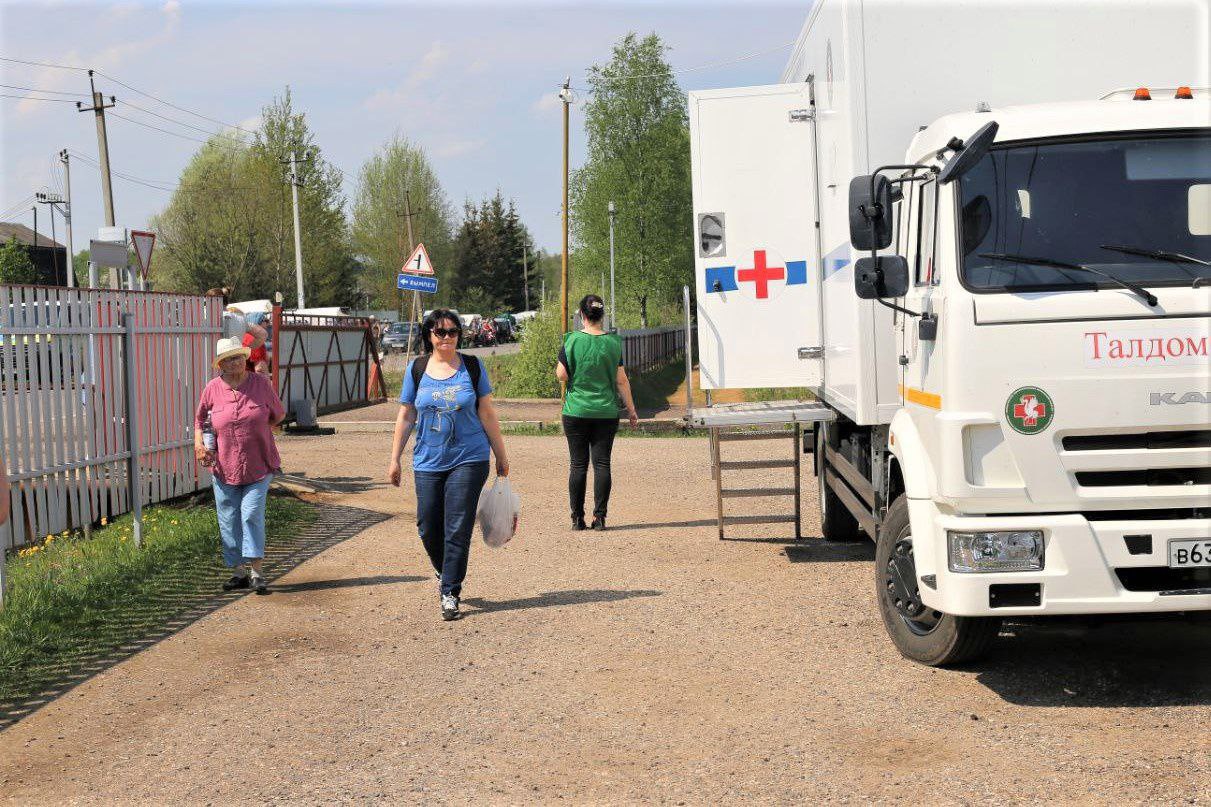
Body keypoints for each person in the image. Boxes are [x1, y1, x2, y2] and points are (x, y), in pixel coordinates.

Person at [387, 309, 510, 621]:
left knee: (457, 526)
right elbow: (406, 415)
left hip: (470, 458)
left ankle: (450, 592)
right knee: (428, 525)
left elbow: (487, 413)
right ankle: (446, 571)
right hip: (428, 459)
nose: (447, 338)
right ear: (429, 335)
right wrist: (394, 459)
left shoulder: (471, 366)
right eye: (440, 332)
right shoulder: (416, 369)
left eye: (453, 332)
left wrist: (501, 455)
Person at [195, 334, 286, 595]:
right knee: (228, 518)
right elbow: (199, 421)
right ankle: (238, 573)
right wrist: (199, 445)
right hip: (223, 466)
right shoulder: (212, 388)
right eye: (228, 359)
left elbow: (279, 414)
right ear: (221, 364)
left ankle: (257, 572)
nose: (234, 362)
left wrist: (261, 430)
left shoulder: (260, 383)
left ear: (244, 359)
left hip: (259, 463)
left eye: (238, 357)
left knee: (250, 514)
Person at [556, 294, 638, 531]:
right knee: (602, 464)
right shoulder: (613, 343)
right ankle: (599, 518)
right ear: (602, 316)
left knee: (578, 465)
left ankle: (577, 519)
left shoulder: (571, 340)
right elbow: (621, 381)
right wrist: (631, 410)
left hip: (576, 411)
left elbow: (561, 375)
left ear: (582, 315)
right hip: (605, 412)